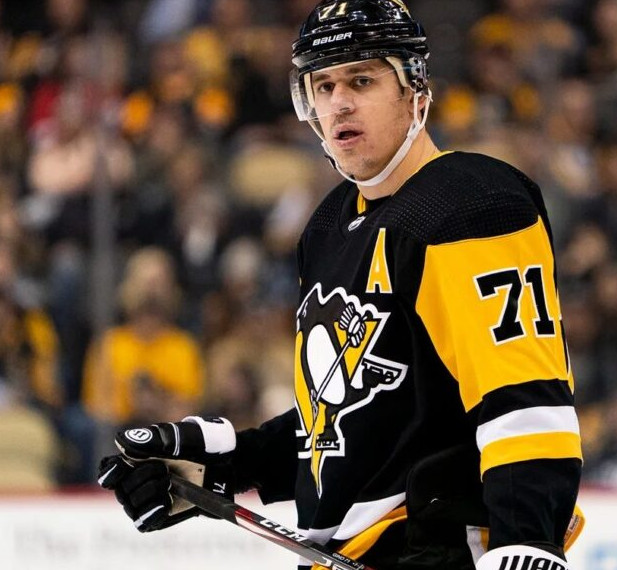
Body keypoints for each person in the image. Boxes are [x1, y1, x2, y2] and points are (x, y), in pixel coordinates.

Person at [98, 2, 583, 569]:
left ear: (415, 89)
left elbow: (522, 393)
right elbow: (348, 424)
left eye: (362, 80)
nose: (339, 103)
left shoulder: (470, 204)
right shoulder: (330, 225)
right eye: (323, 86)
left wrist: (528, 538)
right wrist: (226, 463)